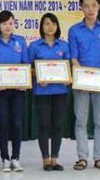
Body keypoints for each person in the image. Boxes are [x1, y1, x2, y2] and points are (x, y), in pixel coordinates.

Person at [68, 0, 100, 171]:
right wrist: (81, 75)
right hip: (81, 81)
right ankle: (82, 157)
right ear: (81, 8)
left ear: (98, 6)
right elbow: (73, 57)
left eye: (93, 5)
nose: (90, 9)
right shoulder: (74, 30)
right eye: (86, 6)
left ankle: (99, 157)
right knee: (81, 120)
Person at [29, 13, 72, 171]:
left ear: (57, 26)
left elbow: (69, 66)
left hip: (60, 90)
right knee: (44, 124)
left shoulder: (64, 45)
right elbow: (28, 68)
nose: (50, 27)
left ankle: (55, 159)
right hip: (42, 91)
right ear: (41, 26)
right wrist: (38, 75)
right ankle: (45, 160)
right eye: (46, 23)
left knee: (58, 124)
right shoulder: (34, 46)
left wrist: (68, 77)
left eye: (53, 23)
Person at [0, 10, 29, 172]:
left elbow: (25, 64)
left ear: (14, 24)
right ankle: (5, 158)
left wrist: (24, 82)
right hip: (0, 90)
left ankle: (16, 158)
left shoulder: (20, 41)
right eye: (4, 23)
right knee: (3, 122)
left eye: (10, 23)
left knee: (17, 123)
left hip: (18, 90)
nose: (7, 26)